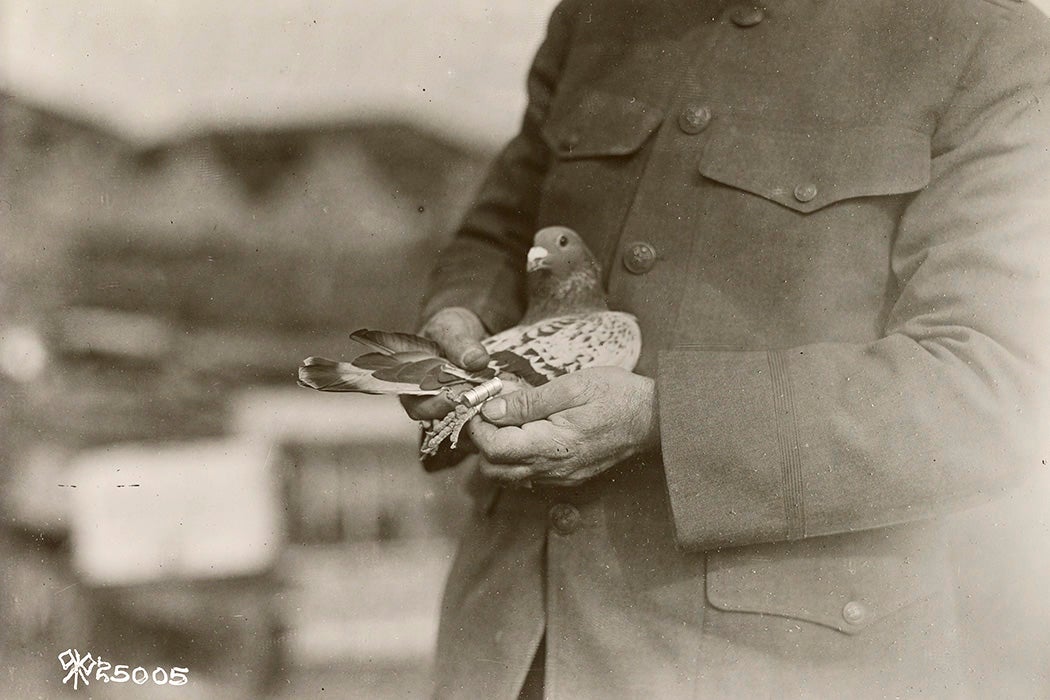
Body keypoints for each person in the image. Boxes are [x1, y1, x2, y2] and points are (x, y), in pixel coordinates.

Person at [403, 0, 1050, 697]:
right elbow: (501, 233)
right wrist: (462, 315)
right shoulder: (594, 17)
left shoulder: (988, 41)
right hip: (509, 649)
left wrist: (661, 420)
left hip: (774, 667)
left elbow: (990, 387)